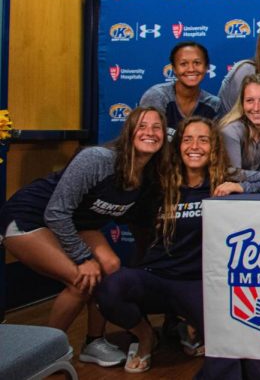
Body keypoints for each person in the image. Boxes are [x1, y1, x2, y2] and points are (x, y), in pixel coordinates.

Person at [95, 117, 260, 373]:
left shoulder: (224, 178)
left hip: (197, 283)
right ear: (178, 146)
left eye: (204, 140)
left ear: (214, 148)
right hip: (155, 276)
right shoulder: (160, 182)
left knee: (227, 345)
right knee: (110, 289)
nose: (195, 146)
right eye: (187, 139)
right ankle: (146, 338)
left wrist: (241, 186)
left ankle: (184, 323)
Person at [0, 107, 167, 367]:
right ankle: (45, 356)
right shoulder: (98, 159)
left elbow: (141, 227)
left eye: (156, 128)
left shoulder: (148, 178)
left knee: (110, 267)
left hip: (75, 223)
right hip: (30, 217)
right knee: (81, 281)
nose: (150, 132)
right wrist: (82, 257)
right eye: (142, 126)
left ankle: (93, 342)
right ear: (128, 132)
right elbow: (56, 212)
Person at [140, 42, 223, 138]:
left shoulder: (213, 104)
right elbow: (148, 139)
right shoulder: (158, 96)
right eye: (183, 64)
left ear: (206, 67)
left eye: (197, 63)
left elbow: (214, 145)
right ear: (174, 69)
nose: (191, 69)